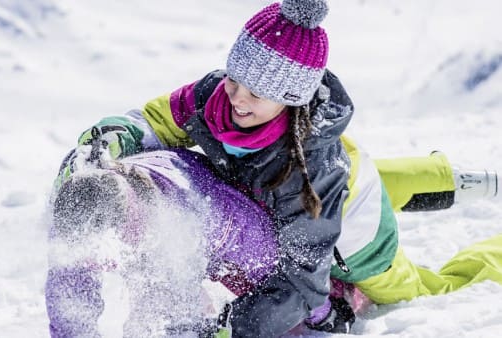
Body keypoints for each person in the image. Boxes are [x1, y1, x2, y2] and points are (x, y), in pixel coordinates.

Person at [46, 0, 502, 337]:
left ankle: (490, 255)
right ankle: (450, 175)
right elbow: (154, 120)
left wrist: (235, 327)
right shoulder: (216, 98)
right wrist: (108, 140)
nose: (237, 98)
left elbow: (302, 276)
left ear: (292, 99)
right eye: (234, 79)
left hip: (355, 232)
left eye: (256, 93)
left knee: (415, 288)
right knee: (365, 175)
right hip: (326, 177)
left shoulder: (311, 175)